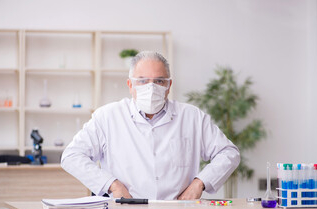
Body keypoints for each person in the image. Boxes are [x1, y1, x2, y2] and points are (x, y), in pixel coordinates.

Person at [61, 51, 240, 200]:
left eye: (159, 81)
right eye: (143, 81)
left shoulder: (192, 117)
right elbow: (72, 156)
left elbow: (228, 153)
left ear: (169, 85)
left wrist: (199, 184)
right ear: (130, 85)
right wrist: (112, 185)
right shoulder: (107, 117)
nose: (152, 87)